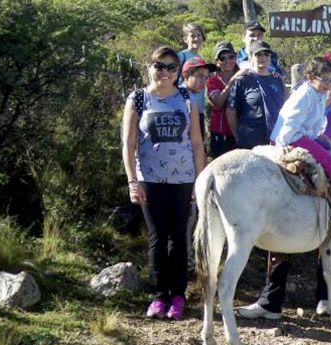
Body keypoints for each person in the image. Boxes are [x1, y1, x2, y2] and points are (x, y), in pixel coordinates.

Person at [238, 57, 331, 320]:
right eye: (327, 81)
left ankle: (325, 298)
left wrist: (322, 138)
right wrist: (291, 145)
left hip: (307, 135)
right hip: (292, 139)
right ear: (311, 78)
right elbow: (288, 126)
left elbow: (318, 126)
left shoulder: (322, 98)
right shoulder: (305, 95)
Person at [121, 46, 205, 321]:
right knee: (158, 238)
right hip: (150, 180)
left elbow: (196, 143)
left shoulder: (186, 98)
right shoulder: (138, 99)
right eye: (160, 66)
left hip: (183, 180)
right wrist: (133, 182)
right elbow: (129, 143)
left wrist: (199, 181)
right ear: (150, 67)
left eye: (171, 67)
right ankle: (159, 296)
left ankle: (178, 296)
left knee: (179, 238)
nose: (165, 72)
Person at [225, 41, 285, 149]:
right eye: (258, 54)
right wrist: (238, 137)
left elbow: (285, 107)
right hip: (250, 141)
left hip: (275, 139)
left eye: (266, 54)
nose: (263, 57)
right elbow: (230, 112)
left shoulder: (277, 79)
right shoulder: (242, 80)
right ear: (251, 58)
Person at [206, 41, 243, 157]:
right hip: (220, 135)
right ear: (216, 62)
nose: (228, 61)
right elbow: (218, 103)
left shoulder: (244, 76)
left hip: (242, 131)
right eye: (222, 58)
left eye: (231, 57)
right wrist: (232, 82)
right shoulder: (212, 81)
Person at [181, 56, 216, 136]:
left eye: (206, 77)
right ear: (186, 75)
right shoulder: (181, 97)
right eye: (200, 76)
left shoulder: (190, 96)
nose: (204, 81)